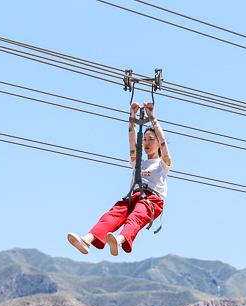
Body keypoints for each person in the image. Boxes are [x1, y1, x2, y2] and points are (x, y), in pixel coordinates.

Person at [67, 102, 171, 256]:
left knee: (137, 216)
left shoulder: (163, 164)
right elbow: (131, 143)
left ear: (159, 144)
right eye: (145, 140)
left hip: (151, 199)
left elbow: (163, 140)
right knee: (114, 213)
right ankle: (87, 240)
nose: (146, 143)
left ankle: (120, 240)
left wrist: (152, 117)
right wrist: (132, 117)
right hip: (134, 196)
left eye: (151, 139)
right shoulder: (139, 163)